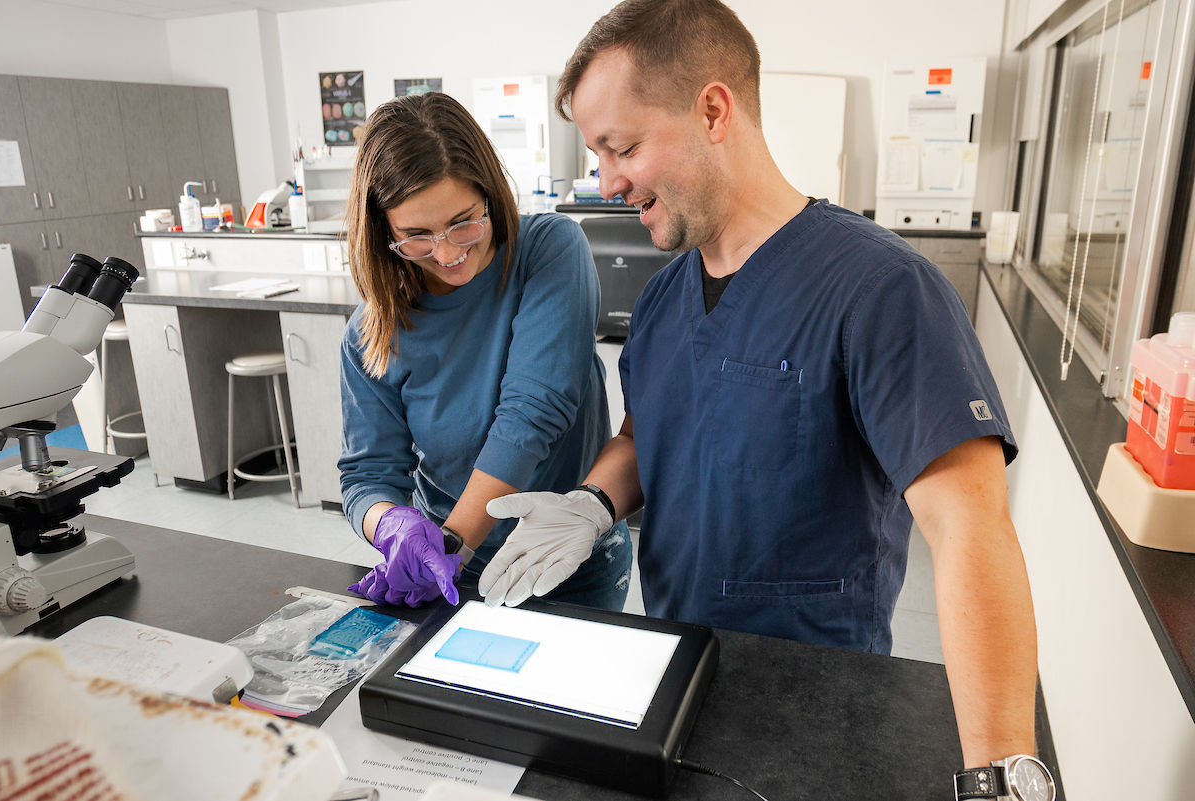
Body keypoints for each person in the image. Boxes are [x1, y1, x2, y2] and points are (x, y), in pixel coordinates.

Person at [478, 0, 1044, 785]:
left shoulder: (880, 288)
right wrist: (593, 502)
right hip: (669, 679)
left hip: (815, 707)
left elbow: (971, 529)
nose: (607, 182)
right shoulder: (663, 297)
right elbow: (651, 432)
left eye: (623, 147)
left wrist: (1002, 774)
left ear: (714, 110)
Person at [338, 92, 632, 611]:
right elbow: (366, 476)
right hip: (452, 565)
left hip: (565, 550)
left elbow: (532, 413)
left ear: (490, 193)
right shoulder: (370, 333)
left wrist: (452, 542)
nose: (448, 253)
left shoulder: (548, 249)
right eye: (416, 237)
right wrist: (392, 525)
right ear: (382, 230)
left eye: (463, 222)